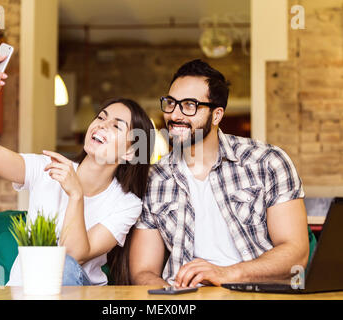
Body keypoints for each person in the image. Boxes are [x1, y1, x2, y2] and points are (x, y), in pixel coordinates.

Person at [0, 56, 154, 286]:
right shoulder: (46, 168)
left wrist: (76, 194)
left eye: (116, 126)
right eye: (101, 117)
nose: (102, 124)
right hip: (25, 288)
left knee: (62, 266)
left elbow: (74, 254)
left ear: (131, 153)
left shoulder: (126, 204)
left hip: (78, 288)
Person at [129, 59, 309, 288]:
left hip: (255, 293)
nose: (175, 115)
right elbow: (143, 271)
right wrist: (170, 296)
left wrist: (226, 274)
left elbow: (296, 255)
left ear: (216, 115)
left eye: (189, 105)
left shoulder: (266, 162)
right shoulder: (154, 178)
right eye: (171, 103)